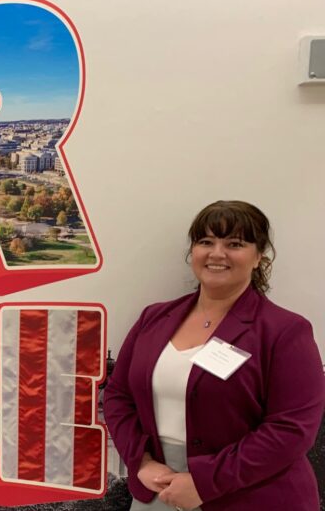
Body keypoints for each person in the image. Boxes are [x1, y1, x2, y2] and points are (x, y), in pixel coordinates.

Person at [104, 201, 325, 511]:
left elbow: (291, 430)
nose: (217, 253)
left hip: (252, 496)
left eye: (234, 244)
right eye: (205, 242)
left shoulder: (285, 331)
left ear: (259, 256)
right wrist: (141, 461)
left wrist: (205, 483)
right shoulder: (154, 319)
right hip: (158, 491)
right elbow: (118, 395)